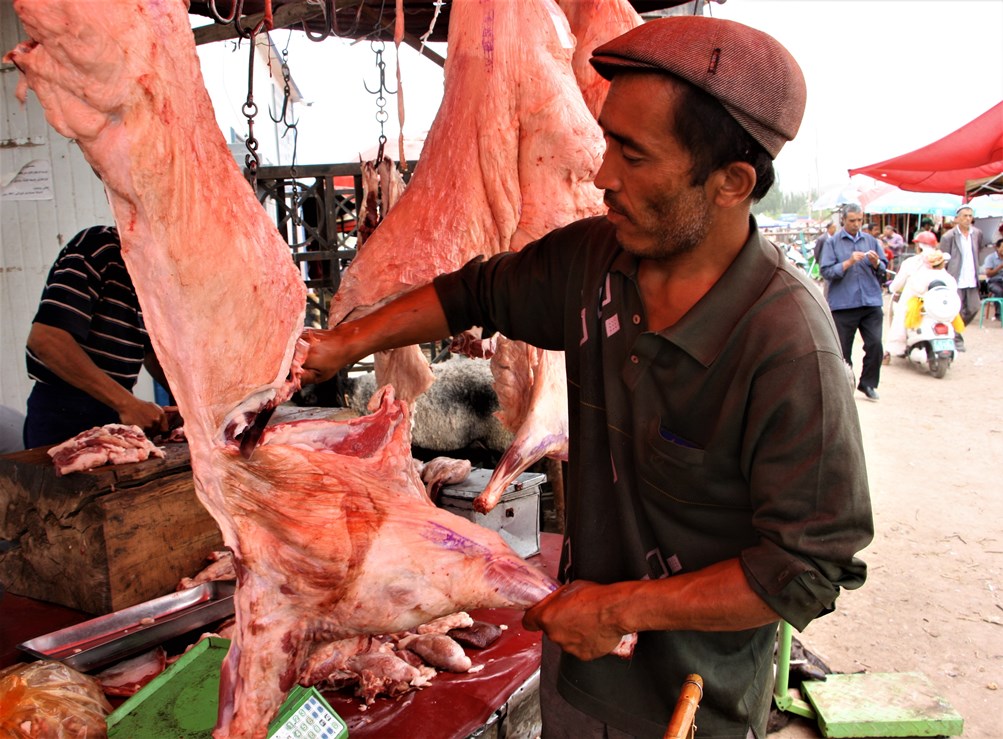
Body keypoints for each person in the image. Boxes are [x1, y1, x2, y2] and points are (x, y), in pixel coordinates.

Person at [302, 17, 872, 738]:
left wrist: (617, 608)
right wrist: (341, 341)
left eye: (632, 155)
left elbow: (806, 569)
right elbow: (471, 292)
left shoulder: (785, 346)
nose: (602, 174)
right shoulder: (596, 263)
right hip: (574, 676)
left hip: (691, 700)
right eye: (606, 142)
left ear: (732, 182)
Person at [23, 225, 168, 448]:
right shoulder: (98, 247)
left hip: (113, 412)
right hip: (64, 411)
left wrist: (192, 409)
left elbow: (151, 353)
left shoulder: (151, 275)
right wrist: (127, 404)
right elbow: (47, 340)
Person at [818, 203, 888, 401]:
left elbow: (884, 268)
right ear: (843, 220)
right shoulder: (832, 243)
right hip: (843, 304)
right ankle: (844, 387)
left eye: (859, 220)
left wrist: (876, 263)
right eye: (852, 221)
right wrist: (848, 263)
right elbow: (826, 271)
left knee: (875, 345)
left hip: (871, 301)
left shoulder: (871, 241)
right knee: (842, 350)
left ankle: (868, 384)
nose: (856, 224)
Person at [939, 205, 984, 347]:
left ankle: (954, 330)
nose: (968, 219)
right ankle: (956, 339)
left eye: (970, 216)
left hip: (971, 277)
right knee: (955, 310)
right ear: (957, 219)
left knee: (974, 307)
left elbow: (979, 250)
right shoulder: (949, 236)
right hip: (955, 278)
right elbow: (943, 258)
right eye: (965, 216)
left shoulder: (976, 233)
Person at [982, 237, 1003, 319]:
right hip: (993, 282)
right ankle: (999, 314)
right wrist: (999, 267)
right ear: (997, 248)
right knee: (1000, 291)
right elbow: (988, 274)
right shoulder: (990, 258)